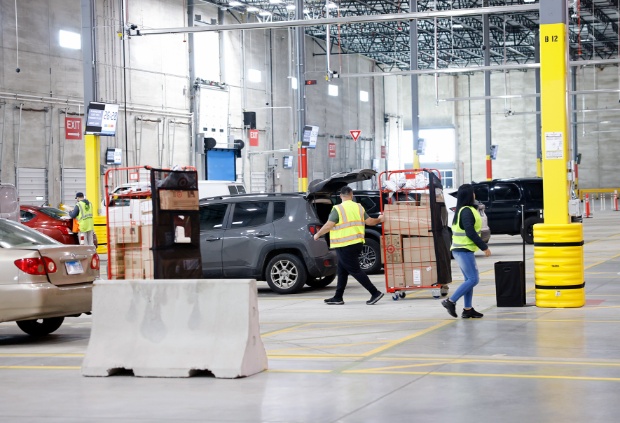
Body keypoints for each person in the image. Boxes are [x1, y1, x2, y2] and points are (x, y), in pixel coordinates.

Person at [313, 186, 385, 305]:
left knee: (355, 270)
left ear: (341, 196)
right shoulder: (359, 207)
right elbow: (370, 222)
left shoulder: (337, 209)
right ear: (351, 195)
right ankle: (338, 297)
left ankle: (375, 293)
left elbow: (328, 225)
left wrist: (318, 234)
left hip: (345, 245)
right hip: (357, 243)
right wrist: (379, 219)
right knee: (341, 270)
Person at [442, 184, 491, 319]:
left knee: (469, 279)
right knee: (473, 279)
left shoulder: (465, 209)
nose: (475, 194)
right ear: (469, 195)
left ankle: (467, 309)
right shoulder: (466, 211)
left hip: (463, 249)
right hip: (463, 249)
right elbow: (470, 232)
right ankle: (450, 301)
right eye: (473, 193)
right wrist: (484, 247)